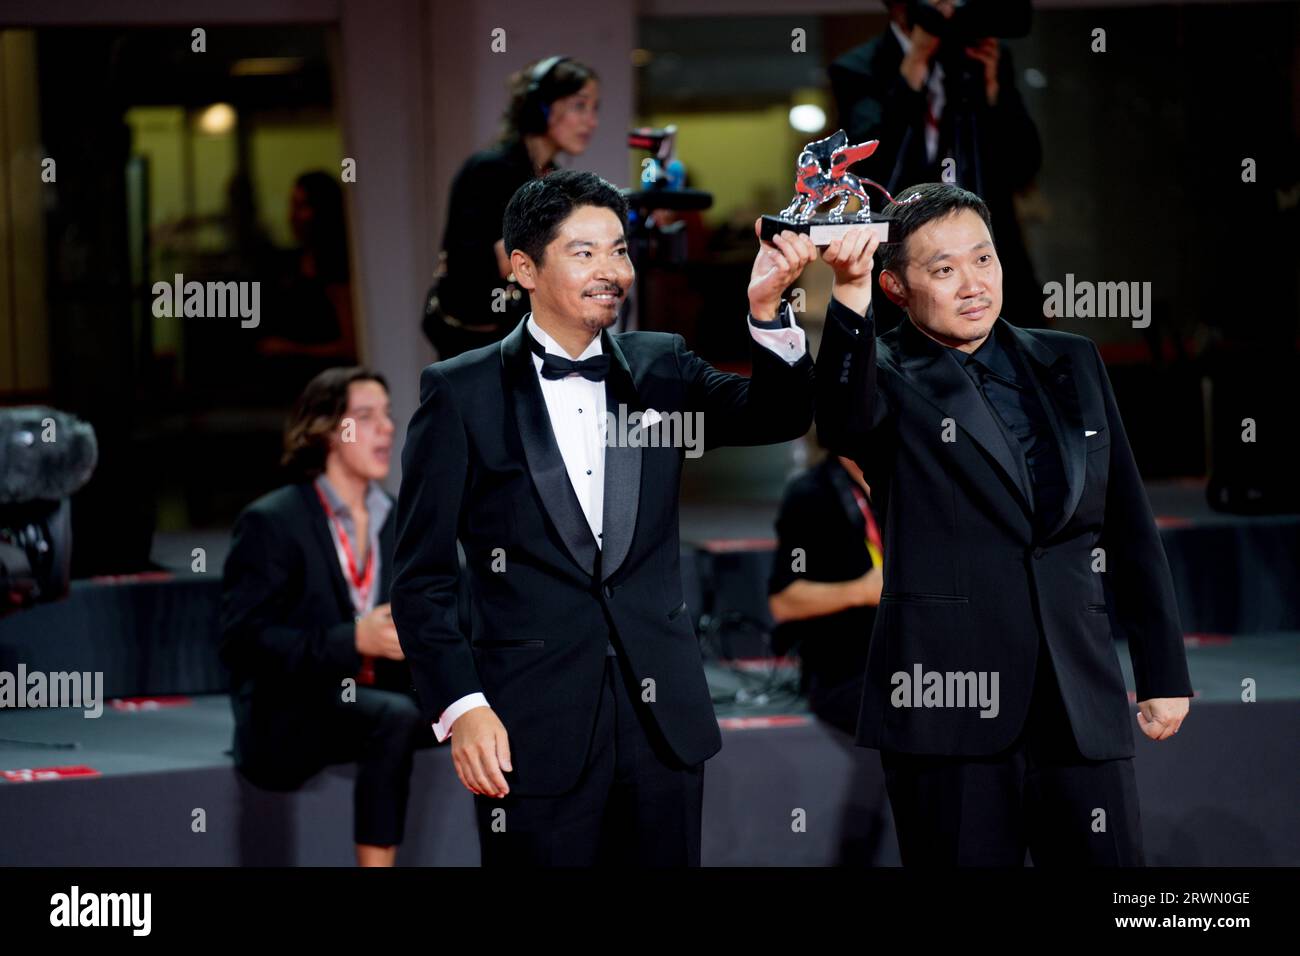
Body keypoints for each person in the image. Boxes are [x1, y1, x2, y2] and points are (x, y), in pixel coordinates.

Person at [392, 169, 819, 866]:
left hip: (664, 724)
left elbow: (779, 414)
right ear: (523, 268)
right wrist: (461, 706)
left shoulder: (664, 364)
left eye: (619, 250)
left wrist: (768, 309)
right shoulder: (459, 392)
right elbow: (422, 579)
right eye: (584, 252)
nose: (611, 270)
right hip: (528, 728)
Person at [814, 182, 1192, 866]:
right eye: (943, 269)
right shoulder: (887, 375)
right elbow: (841, 419)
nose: (972, 284)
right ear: (896, 287)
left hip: (1079, 701)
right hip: (947, 711)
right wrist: (846, 294)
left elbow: (1130, 525)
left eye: (983, 259)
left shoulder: (1070, 358)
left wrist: (1163, 670)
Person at [220, 367, 434, 867]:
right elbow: (243, 644)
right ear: (326, 432)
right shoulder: (273, 521)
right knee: (393, 716)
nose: (386, 428)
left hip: (379, 691)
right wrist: (353, 639)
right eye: (365, 416)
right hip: (292, 704)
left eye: (387, 415)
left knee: (503, 705)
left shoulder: (400, 520)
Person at [829, 0, 1043, 333]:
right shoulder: (858, 68)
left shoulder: (981, 58)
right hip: (904, 254)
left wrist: (994, 95)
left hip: (992, 252)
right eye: (938, 2)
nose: (950, 9)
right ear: (900, 7)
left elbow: (1024, 166)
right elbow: (868, 162)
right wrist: (914, 64)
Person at [424, 55, 599, 358]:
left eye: (594, 109)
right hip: (476, 345)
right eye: (579, 106)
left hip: (522, 338)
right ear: (540, 106)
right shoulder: (488, 170)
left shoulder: (553, 178)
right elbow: (475, 264)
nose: (591, 121)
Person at [768, 451, 883, 736]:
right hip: (843, 673)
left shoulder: (906, 483)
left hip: (906, 656)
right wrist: (862, 591)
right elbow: (784, 601)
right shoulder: (811, 494)